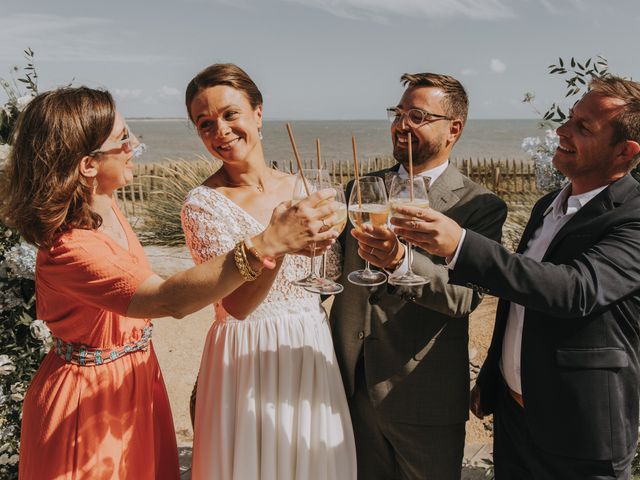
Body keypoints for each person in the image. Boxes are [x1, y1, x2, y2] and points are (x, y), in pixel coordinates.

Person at [4, 86, 338, 480]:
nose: (136, 146)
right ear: (88, 165)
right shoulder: (70, 249)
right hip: (89, 402)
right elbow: (165, 299)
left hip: (138, 381)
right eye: (124, 140)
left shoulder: (104, 206)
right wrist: (268, 243)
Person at [392, 75, 640, 479]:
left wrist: (460, 245)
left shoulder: (632, 216)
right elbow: (517, 298)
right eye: (568, 119)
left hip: (581, 435)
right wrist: (492, 380)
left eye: (583, 127)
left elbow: (573, 290)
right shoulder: (547, 206)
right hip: (515, 423)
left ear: (624, 151)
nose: (561, 131)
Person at [180, 63, 357, 480]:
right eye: (204, 123)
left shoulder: (304, 187)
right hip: (245, 354)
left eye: (229, 114)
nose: (219, 130)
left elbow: (326, 280)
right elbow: (237, 305)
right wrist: (277, 244)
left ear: (258, 113)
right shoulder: (202, 205)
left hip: (309, 345)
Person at [330, 72, 507, 479]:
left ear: (453, 129)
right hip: (350, 386)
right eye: (398, 112)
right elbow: (335, 274)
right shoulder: (363, 188)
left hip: (421, 394)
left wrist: (399, 261)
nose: (402, 124)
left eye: (417, 115)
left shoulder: (479, 205)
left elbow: (464, 298)